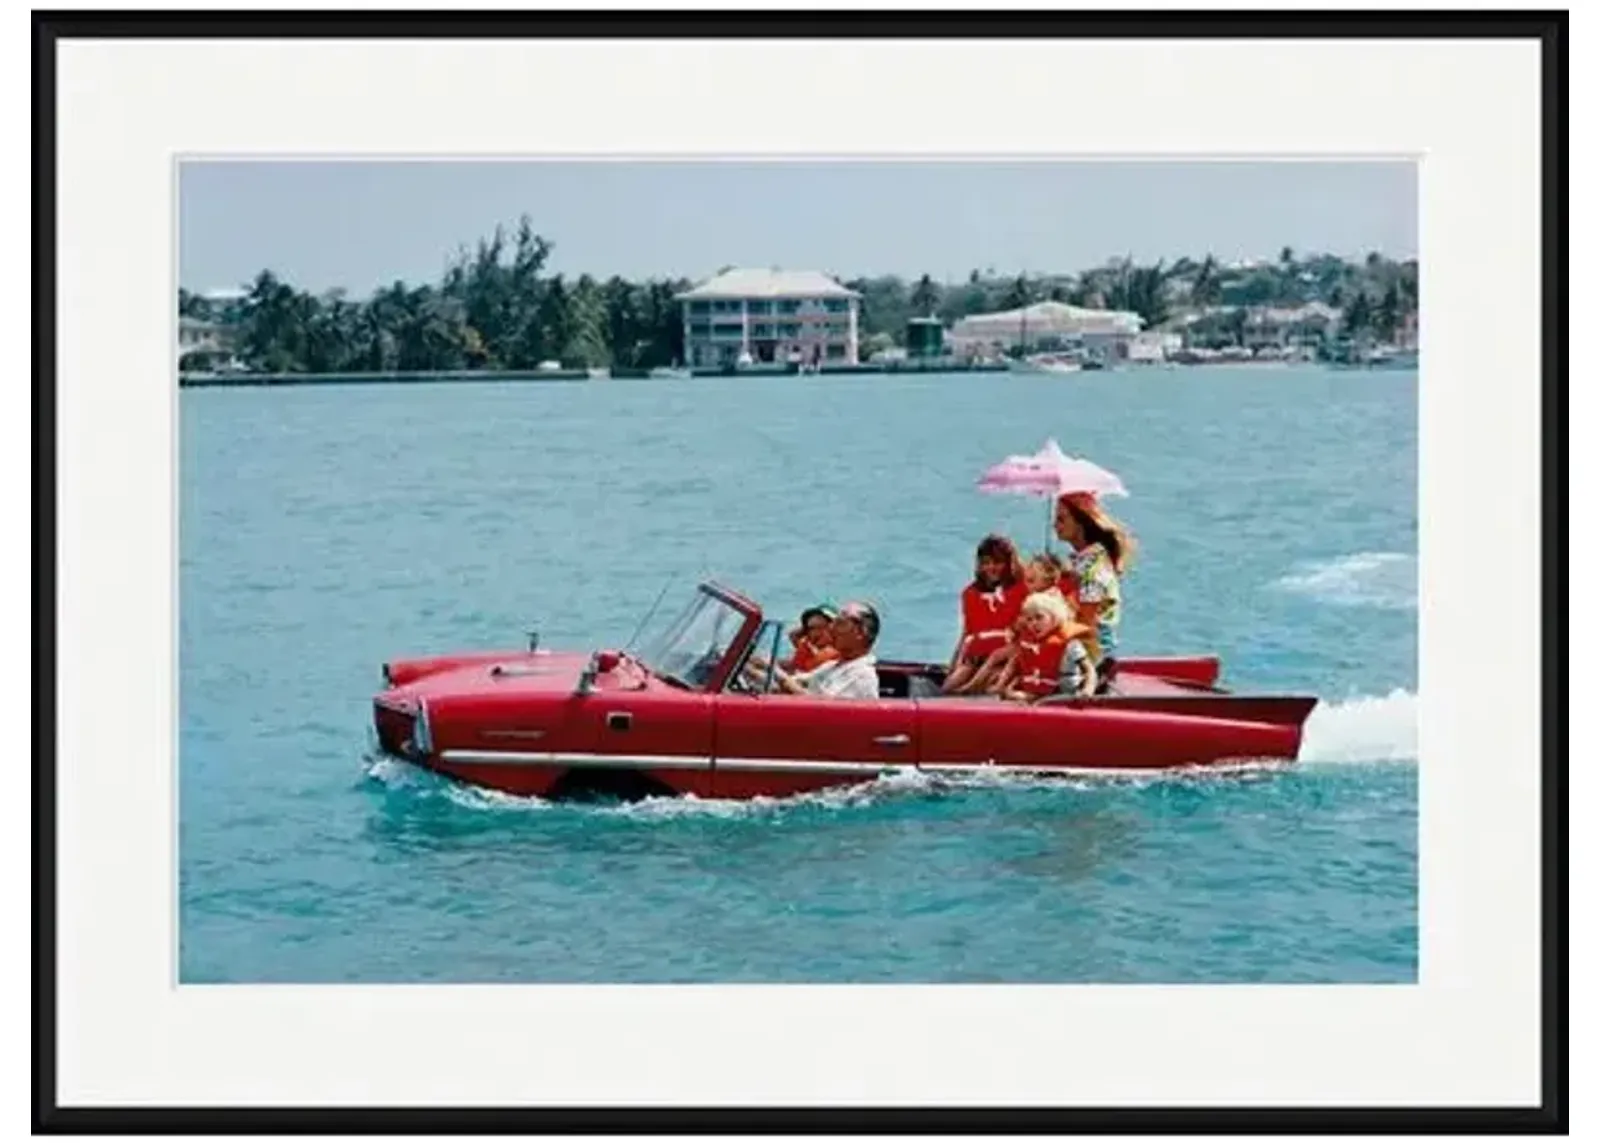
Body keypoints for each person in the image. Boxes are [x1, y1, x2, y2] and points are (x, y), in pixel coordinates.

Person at [1053, 492, 1137, 667]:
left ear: (1080, 523)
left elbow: (1086, 625)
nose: (1055, 526)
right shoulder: (1082, 562)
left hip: (1092, 655)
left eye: (1061, 520)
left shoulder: (1093, 570)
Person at [941, 534, 1028, 694]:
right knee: (949, 688)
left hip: (1006, 659)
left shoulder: (1023, 590)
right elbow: (967, 632)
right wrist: (953, 666)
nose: (991, 568)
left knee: (990, 686)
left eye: (997, 562)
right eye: (986, 563)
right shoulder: (970, 594)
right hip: (974, 659)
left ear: (1009, 563)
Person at [755, 601, 883, 699]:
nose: (831, 629)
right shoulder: (832, 666)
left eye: (840, 623)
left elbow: (819, 707)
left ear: (860, 633)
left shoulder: (862, 676)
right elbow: (796, 681)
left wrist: (776, 672)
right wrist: (755, 670)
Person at [995, 590, 1097, 702]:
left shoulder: (1070, 645)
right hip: (1038, 694)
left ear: (1054, 618)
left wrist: (1088, 690)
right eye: (1029, 619)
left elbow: (1089, 670)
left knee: (1021, 697)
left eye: (1039, 617)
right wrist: (1001, 685)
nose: (1033, 623)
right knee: (1013, 694)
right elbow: (1014, 665)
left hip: (1065, 695)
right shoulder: (1028, 644)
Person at [780, 605, 839, 672]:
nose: (817, 632)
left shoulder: (834, 652)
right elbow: (793, 635)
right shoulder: (808, 646)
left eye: (822, 626)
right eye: (812, 628)